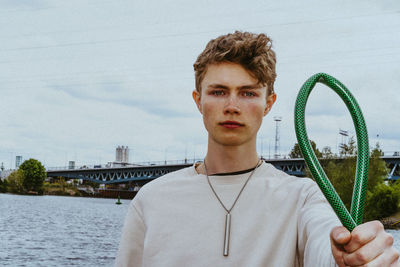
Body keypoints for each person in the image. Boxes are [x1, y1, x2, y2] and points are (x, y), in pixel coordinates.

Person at [115, 31, 399, 266]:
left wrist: (354, 256)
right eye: (218, 92)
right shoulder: (151, 200)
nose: (232, 106)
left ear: (269, 104)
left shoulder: (302, 199)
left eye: (248, 93)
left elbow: (326, 246)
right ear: (198, 100)